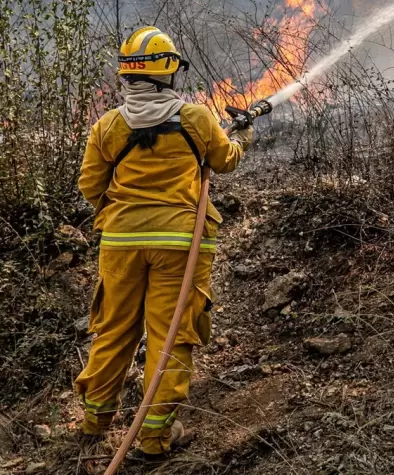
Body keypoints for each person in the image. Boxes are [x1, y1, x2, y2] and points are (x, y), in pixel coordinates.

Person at [74, 26, 253, 460]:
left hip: (119, 244)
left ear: (129, 75)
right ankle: (153, 439)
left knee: (113, 329)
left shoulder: (108, 125)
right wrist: (243, 137)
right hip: (181, 245)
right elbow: (224, 161)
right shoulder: (195, 118)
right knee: (169, 337)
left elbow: (89, 186)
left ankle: (95, 421)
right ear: (168, 71)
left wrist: (122, 210)